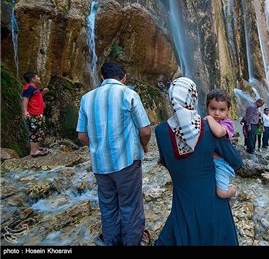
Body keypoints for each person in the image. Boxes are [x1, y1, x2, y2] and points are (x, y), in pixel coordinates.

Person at [154, 77, 243, 245]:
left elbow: (165, 162)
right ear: (193, 98)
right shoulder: (210, 128)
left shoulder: (159, 131)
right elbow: (237, 162)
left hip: (182, 200)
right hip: (212, 201)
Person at [76, 62, 151, 246]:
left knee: (108, 205)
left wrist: (97, 148)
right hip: (127, 161)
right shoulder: (129, 94)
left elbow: (82, 135)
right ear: (123, 78)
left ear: (102, 77)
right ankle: (132, 241)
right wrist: (144, 147)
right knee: (130, 205)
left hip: (100, 164)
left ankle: (111, 241)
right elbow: (146, 130)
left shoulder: (87, 98)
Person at [203, 89, 237, 201]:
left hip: (223, 164)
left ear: (228, 110)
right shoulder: (205, 123)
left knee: (221, 193)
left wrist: (208, 118)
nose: (216, 113)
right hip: (210, 162)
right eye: (212, 109)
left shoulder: (227, 123)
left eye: (222, 110)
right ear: (207, 107)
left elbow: (218, 133)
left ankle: (232, 190)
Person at [21, 71, 50, 158]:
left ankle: (36, 147)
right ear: (33, 79)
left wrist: (43, 93)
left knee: (38, 131)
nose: (39, 78)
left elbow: (36, 98)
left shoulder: (33, 88)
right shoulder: (28, 88)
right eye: (37, 77)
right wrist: (25, 112)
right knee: (34, 131)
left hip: (38, 113)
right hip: (33, 114)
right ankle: (34, 151)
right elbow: (25, 100)